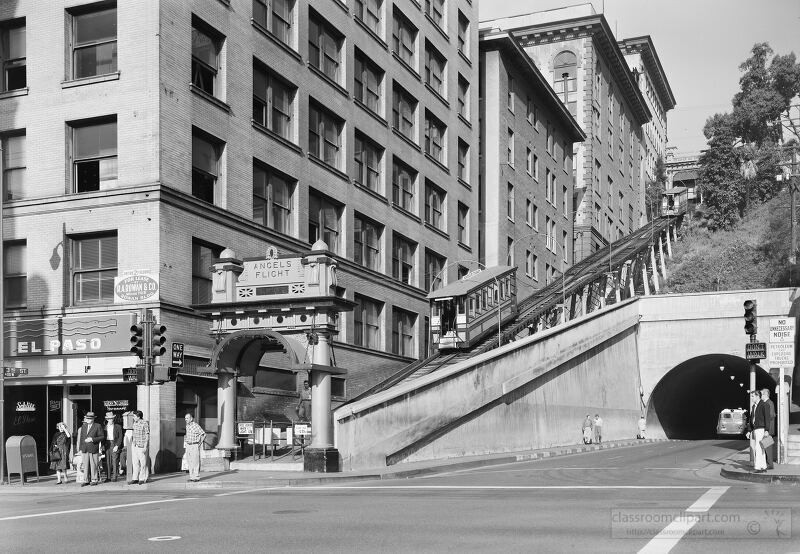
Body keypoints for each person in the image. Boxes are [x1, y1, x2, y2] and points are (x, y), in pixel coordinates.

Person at [77, 412, 104, 486]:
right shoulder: (84, 426)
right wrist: (80, 449)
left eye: (89, 418)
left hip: (93, 448)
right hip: (85, 448)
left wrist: (92, 439)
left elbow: (102, 436)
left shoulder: (97, 426)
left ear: (93, 419)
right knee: (85, 465)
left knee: (93, 465)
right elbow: (81, 438)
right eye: (87, 418)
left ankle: (94, 479)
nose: (87, 419)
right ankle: (86, 480)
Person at [747, 391, 768, 473]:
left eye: (752, 396)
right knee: (761, 448)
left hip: (761, 429)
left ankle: (758, 467)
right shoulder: (753, 406)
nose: (751, 398)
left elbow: (767, 418)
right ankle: (763, 466)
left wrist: (767, 430)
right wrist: (749, 430)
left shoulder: (764, 405)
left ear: (757, 396)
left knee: (758, 448)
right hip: (756, 429)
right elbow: (751, 418)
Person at [184, 413, 206, 482]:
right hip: (188, 445)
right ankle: (191, 477)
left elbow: (204, 434)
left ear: (191, 418)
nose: (186, 420)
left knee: (195, 461)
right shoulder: (187, 426)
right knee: (189, 461)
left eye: (187, 418)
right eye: (185, 418)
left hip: (194, 445)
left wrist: (199, 443)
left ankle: (196, 477)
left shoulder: (196, 425)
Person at [129, 410, 150, 485]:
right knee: (135, 462)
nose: (133, 417)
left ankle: (142, 478)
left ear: (138, 416)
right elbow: (134, 433)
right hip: (135, 445)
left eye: (134, 416)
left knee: (143, 463)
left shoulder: (144, 423)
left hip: (141, 445)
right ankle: (135, 478)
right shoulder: (134, 423)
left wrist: (145, 446)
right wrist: (133, 442)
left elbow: (147, 435)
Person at [103, 412, 124, 482]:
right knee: (108, 461)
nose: (110, 420)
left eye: (111, 419)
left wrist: (117, 445)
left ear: (113, 419)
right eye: (109, 419)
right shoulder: (104, 427)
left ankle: (114, 476)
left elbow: (120, 437)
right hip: (107, 444)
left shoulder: (118, 426)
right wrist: (102, 445)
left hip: (114, 444)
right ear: (107, 419)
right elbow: (103, 437)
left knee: (115, 461)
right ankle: (108, 477)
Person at [761, 388, 776, 470]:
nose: (761, 396)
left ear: (765, 394)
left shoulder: (769, 403)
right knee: (766, 446)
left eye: (761, 394)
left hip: (768, 429)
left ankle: (770, 464)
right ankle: (768, 463)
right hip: (768, 428)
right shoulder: (767, 403)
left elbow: (770, 415)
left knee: (768, 447)